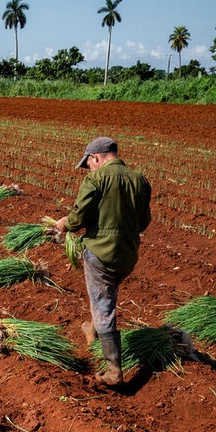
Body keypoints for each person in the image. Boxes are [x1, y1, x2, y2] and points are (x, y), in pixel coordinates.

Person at [53, 137, 151, 387]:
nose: (89, 169)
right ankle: (92, 329)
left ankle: (114, 371)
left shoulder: (95, 180)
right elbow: (143, 222)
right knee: (104, 294)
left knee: (103, 305)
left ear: (96, 157)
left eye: (88, 164)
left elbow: (78, 217)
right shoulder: (139, 180)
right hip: (128, 254)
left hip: (100, 253)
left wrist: (64, 223)